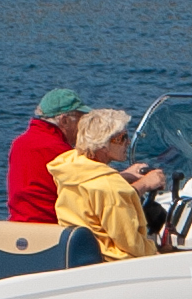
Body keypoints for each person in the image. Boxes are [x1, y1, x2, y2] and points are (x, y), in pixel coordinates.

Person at [50, 108, 168, 262]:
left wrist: (122, 176)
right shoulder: (111, 187)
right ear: (103, 145)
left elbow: (95, 190)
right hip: (112, 260)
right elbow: (131, 243)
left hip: (81, 254)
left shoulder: (71, 169)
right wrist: (156, 251)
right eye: (122, 138)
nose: (128, 142)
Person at [7, 89, 84, 224]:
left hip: (18, 224)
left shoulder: (19, 143)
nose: (82, 127)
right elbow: (89, 190)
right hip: (50, 227)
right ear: (64, 121)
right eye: (80, 120)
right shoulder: (60, 150)